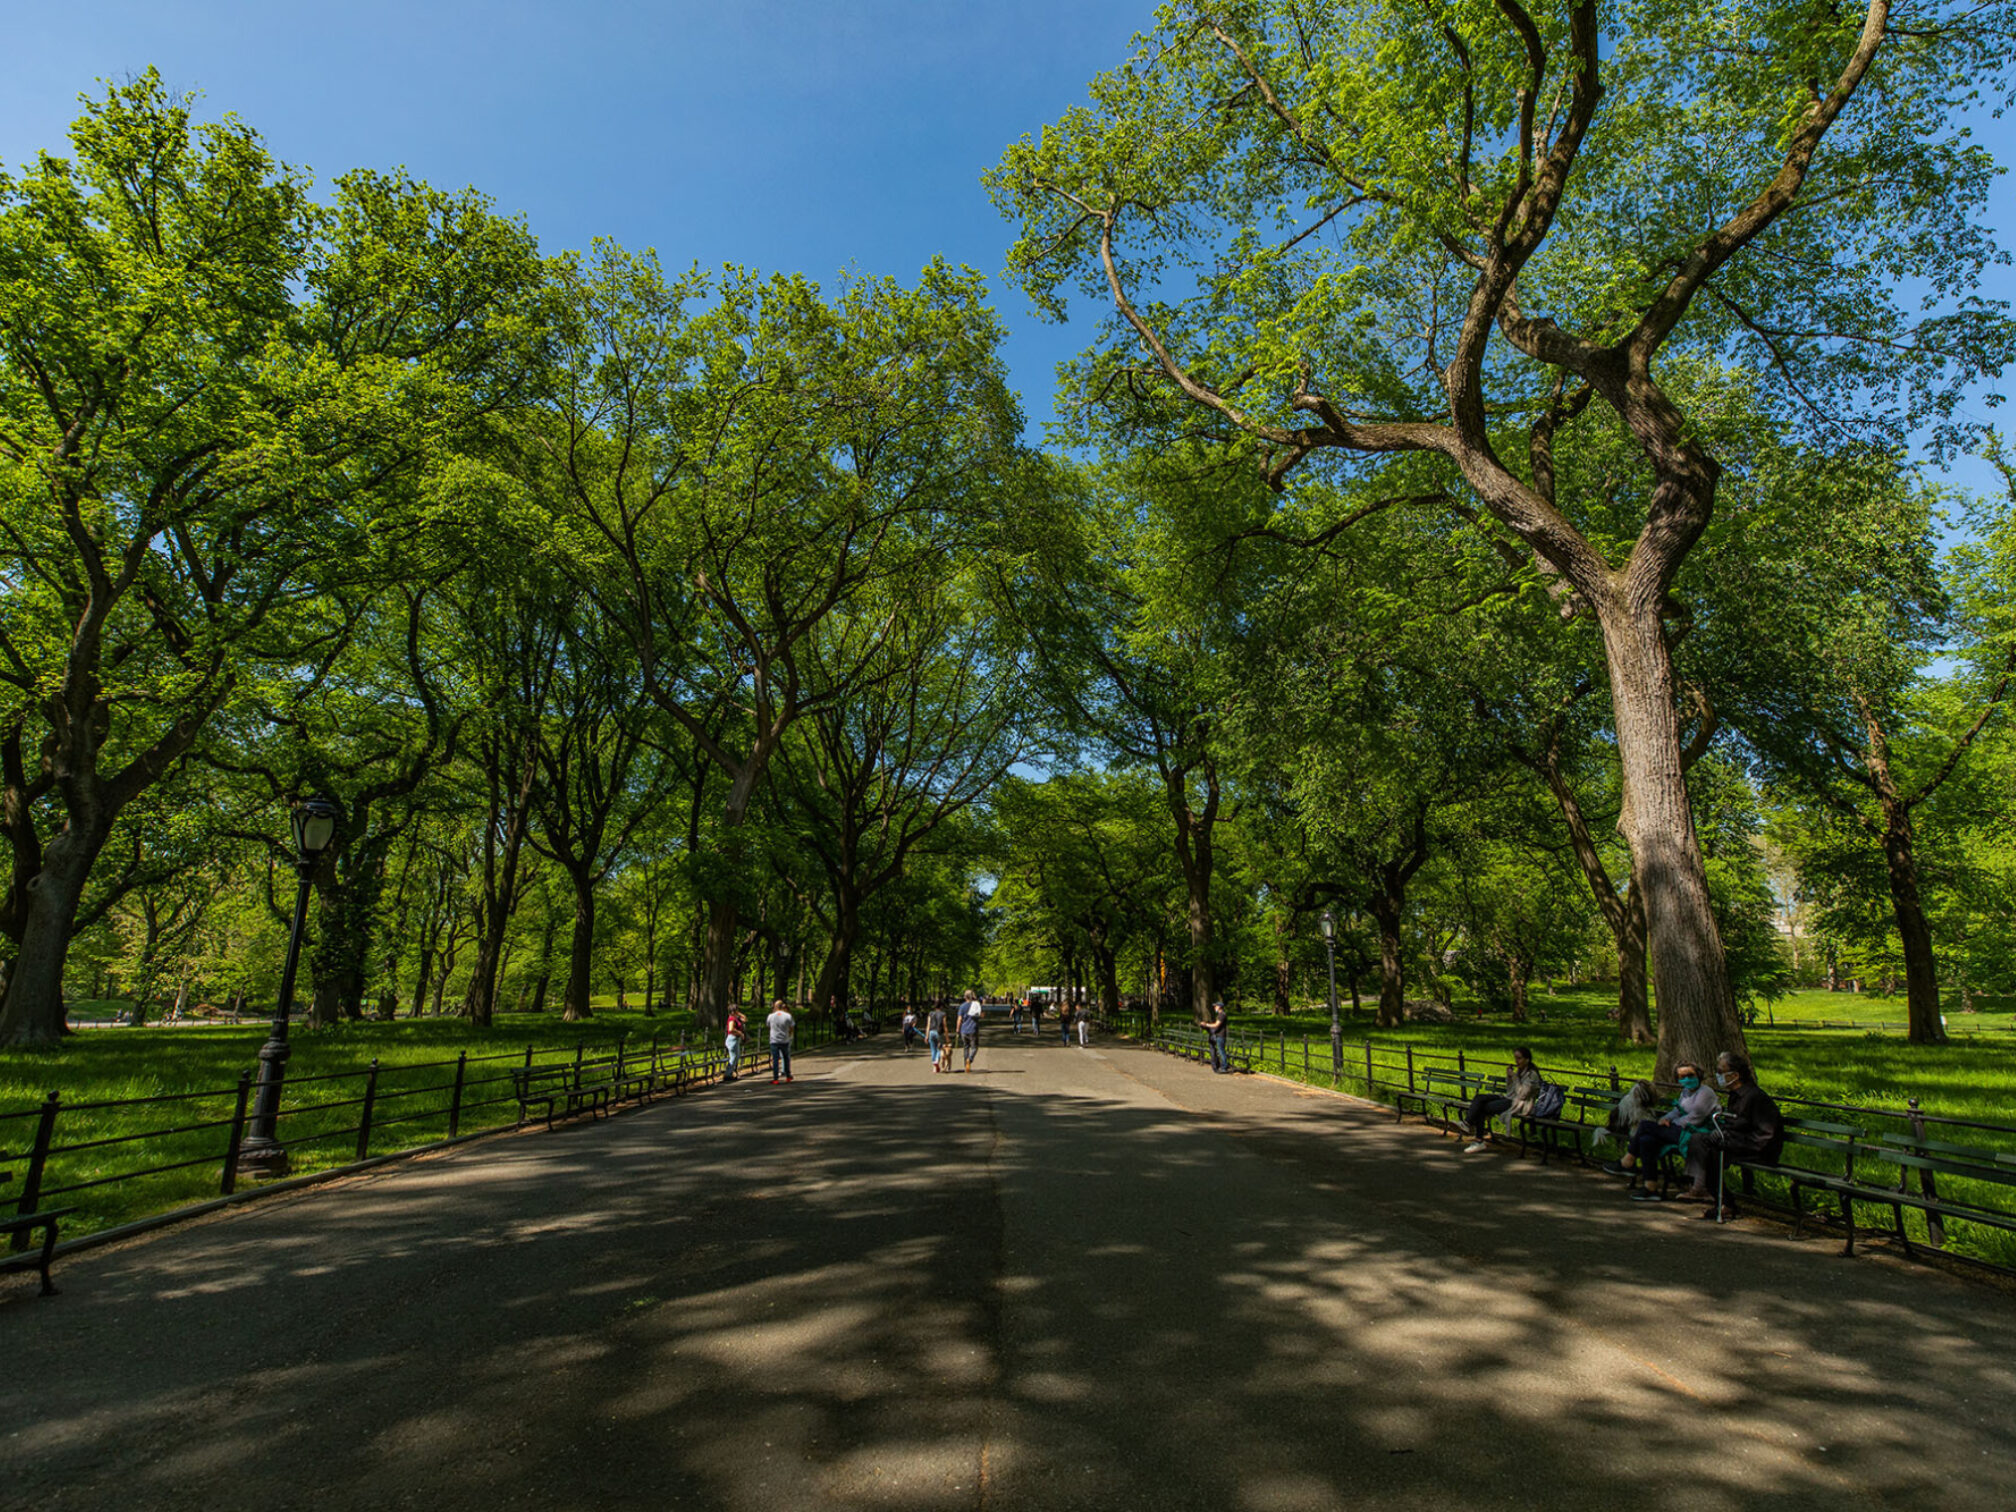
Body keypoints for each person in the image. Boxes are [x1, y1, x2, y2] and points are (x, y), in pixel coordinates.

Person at [1683, 1052, 1785, 1217]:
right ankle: (1706, 1188)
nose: (1718, 1075)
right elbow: (1733, 1124)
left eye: (1721, 1071)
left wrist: (1731, 1141)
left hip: (1758, 1150)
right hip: (1737, 1144)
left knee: (1712, 1153)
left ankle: (1723, 1201)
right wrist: (1722, 1134)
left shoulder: (1755, 1097)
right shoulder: (1735, 1096)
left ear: (1735, 1075)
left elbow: (1765, 1135)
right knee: (1698, 1139)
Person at [1606, 1063, 1718, 1198]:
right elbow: (1677, 1111)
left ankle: (1627, 1161)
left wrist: (1672, 1124)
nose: (1687, 1079)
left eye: (1690, 1075)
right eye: (1682, 1076)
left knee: (1645, 1126)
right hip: (1681, 1130)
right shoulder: (1685, 1092)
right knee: (1646, 1139)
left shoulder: (1706, 1093)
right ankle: (1650, 1187)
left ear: (1698, 1075)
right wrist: (1665, 1119)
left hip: (1696, 1133)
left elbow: (1697, 1117)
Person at [1461, 1047, 1541, 1152]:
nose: (1516, 1061)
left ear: (1527, 1059)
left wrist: (1514, 1077)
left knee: (1482, 1107)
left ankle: (1477, 1138)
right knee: (1479, 1098)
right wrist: (1509, 1077)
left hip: (1520, 1104)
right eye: (1515, 1058)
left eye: (1519, 1058)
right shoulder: (1520, 1071)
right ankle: (1467, 1124)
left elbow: (1522, 1095)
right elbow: (1510, 1090)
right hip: (1510, 1098)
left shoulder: (1532, 1075)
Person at [766, 997, 796, 1084]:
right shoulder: (788, 1016)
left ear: (775, 1006)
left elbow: (768, 1026)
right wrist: (789, 1034)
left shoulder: (771, 1016)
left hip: (774, 1040)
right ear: (782, 1006)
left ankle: (775, 1078)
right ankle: (788, 1076)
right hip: (784, 1040)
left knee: (775, 1059)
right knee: (786, 1058)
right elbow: (791, 1027)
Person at [1202, 997, 1230, 1073]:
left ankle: (1224, 1067)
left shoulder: (1222, 1015)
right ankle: (1222, 1065)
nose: (1214, 1008)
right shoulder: (1220, 1015)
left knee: (1221, 1051)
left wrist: (1206, 1025)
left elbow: (1216, 1025)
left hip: (1221, 1036)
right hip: (1218, 1035)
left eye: (1216, 1006)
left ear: (1219, 1007)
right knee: (1220, 1051)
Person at [960, 990, 983, 1071]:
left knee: (966, 1047)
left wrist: (957, 1028)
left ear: (965, 997)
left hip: (963, 1030)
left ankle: (966, 1066)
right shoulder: (976, 1005)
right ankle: (969, 1059)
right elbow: (981, 1014)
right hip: (973, 1029)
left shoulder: (962, 1006)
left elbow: (959, 1019)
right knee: (974, 1047)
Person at [724, 1002, 748, 1082]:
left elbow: (745, 1019)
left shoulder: (736, 1018)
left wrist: (739, 1013)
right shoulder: (732, 1019)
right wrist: (740, 1033)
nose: (738, 1011)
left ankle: (731, 1073)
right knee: (733, 1057)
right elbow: (731, 1029)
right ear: (733, 1011)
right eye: (736, 1010)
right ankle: (728, 1074)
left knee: (736, 1056)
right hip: (732, 1039)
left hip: (736, 1040)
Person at [926, 999, 948, 1072]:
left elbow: (928, 1025)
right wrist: (947, 1037)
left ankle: (934, 1067)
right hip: (939, 1033)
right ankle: (936, 1061)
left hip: (931, 1032)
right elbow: (944, 1026)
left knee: (933, 1049)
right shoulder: (943, 1014)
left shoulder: (930, 1013)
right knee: (940, 1048)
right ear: (941, 1006)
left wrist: (926, 1036)